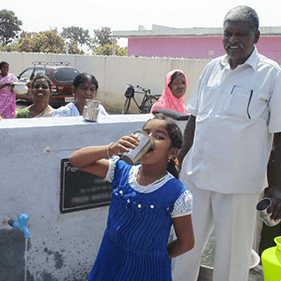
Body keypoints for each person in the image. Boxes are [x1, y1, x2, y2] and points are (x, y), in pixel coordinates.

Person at [172, 6, 281, 281]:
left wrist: (278, 187)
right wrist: (180, 157)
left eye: (241, 34)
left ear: (257, 36)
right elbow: (194, 117)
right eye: (227, 34)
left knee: (232, 260)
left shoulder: (270, 73)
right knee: (183, 250)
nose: (233, 40)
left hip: (239, 185)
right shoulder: (211, 68)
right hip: (196, 177)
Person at [69, 113, 194, 281]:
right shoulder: (120, 170)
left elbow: (186, 243)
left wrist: (154, 255)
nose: (148, 139)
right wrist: (111, 149)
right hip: (110, 260)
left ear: (172, 153)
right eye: (145, 133)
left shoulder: (177, 194)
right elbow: (76, 160)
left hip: (148, 271)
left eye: (158, 137)